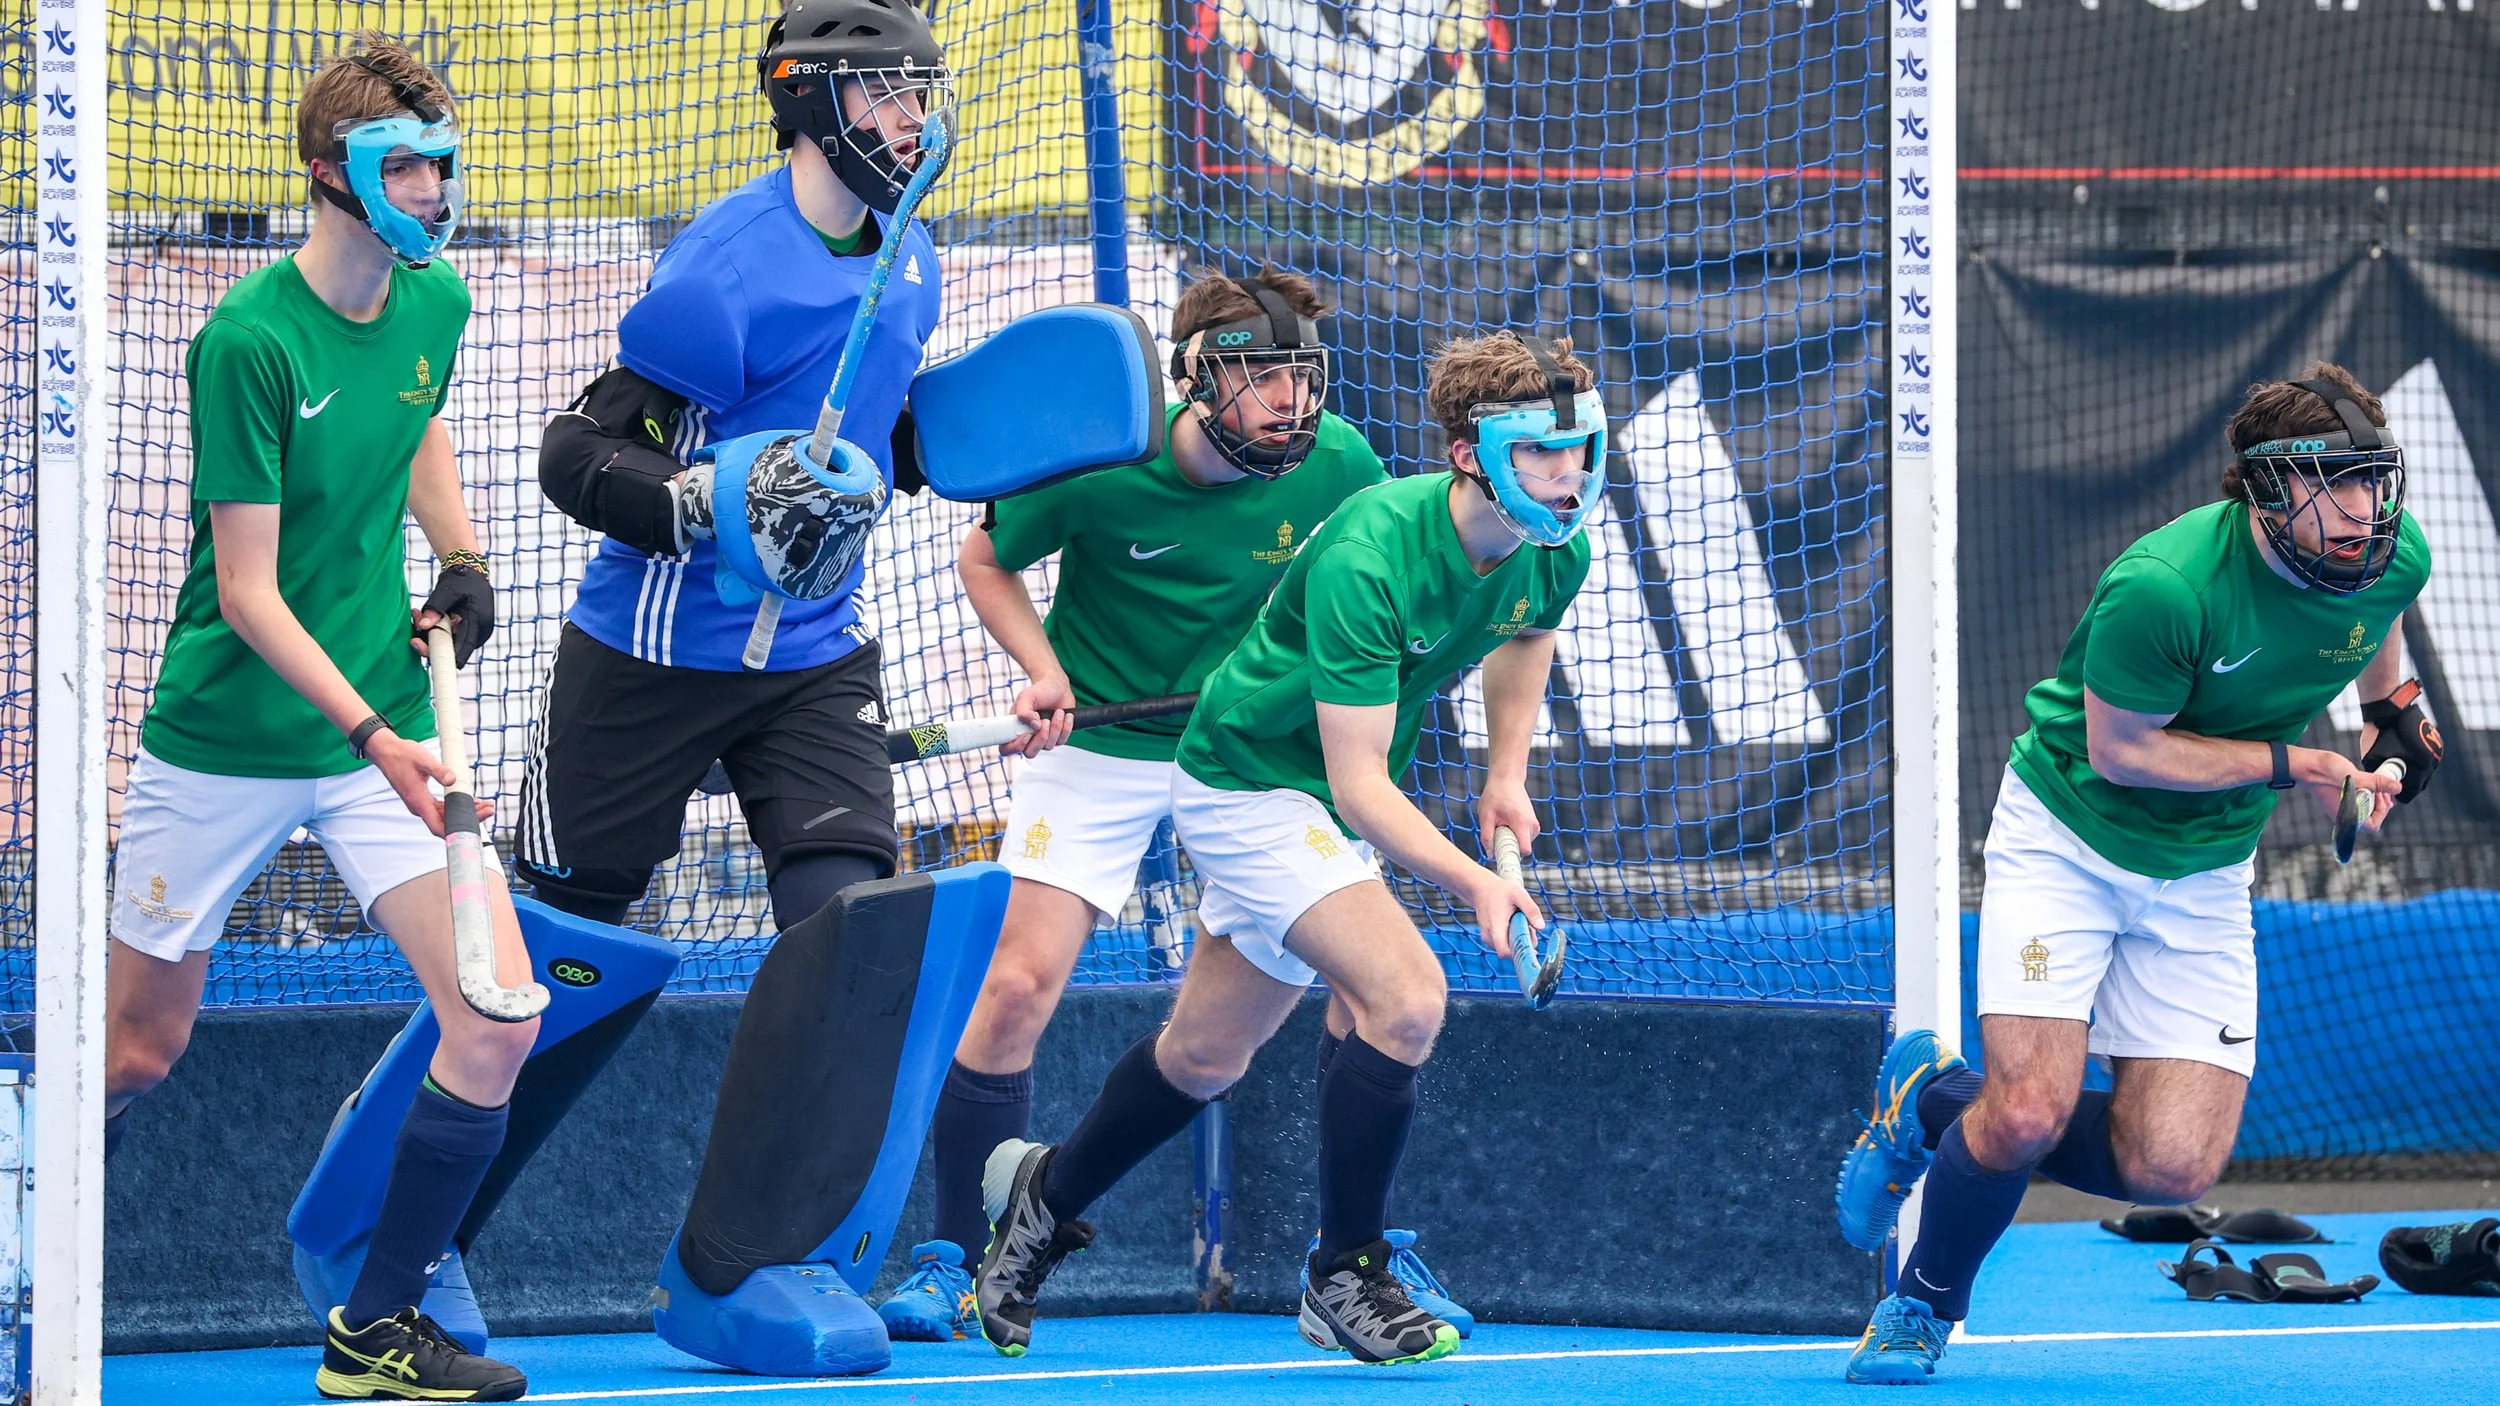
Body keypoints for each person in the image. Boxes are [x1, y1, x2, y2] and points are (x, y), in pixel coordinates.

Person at [967, 330, 1602, 1365]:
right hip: (1247, 782)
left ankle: (1044, 1197)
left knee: (1205, 1053)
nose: (1566, 475)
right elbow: (1359, 785)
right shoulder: (1371, 555)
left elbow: (1526, 631)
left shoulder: (1555, 542)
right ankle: (1345, 1271)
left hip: (1317, 805)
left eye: (1578, 449)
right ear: (1467, 454)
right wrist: (1476, 882)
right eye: (1539, 452)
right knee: (1405, 997)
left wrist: (1505, 775)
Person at [885, 268, 1491, 1343]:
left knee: (1367, 987)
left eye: (1302, 376)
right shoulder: (1101, 462)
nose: (1290, 401)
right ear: (1198, 379)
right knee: (1017, 985)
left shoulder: (1341, 464)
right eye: (1261, 376)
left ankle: (1361, 1255)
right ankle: (952, 1259)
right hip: (1104, 741)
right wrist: (1041, 670)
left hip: (1258, 757)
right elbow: (985, 560)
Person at [1836, 363, 2440, 1385]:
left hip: (2204, 868)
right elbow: (2125, 753)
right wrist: (2300, 763)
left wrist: (2395, 717)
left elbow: (2376, 631)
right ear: (2267, 488)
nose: (2361, 509)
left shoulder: (2390, 551)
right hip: (2070, 840)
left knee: (2173, 1165)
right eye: (2333, 484)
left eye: (2373, 481)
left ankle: (1931, 1097)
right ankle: (1921, 1304)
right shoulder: (2164, 587)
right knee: (2025, 1110)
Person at [100, 37, 535, 1402]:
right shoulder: (248, 340)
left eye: (443, 163)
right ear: (330, 173)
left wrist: (458, 553)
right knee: (135, 1050)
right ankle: (26, 1263)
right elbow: (245, 592)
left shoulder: (437, 299)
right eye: (405, 166)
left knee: (496, 1014)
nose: (433, 188)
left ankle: (375, 1327)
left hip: (379, 728)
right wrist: (370, 735)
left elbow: (416, 421)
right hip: (232, 739)